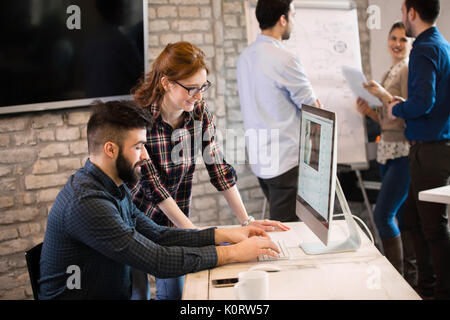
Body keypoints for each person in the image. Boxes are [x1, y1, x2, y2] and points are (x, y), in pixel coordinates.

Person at [38, 100, 280, 300]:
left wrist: (225, 235)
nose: (145, 155)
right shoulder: (87, 203)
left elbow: (159, 234)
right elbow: (157, 260)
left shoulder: (112, 185)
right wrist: (234, 253)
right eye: (138, 147)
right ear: (110, 149)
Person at [130, 41, 289, 300]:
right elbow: (154, 188)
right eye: (191, 88)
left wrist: (246, 221)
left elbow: (218, 167)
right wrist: (198, 237)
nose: (198, 96)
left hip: (176, 220)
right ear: (167, 83)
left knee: (174, 296)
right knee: (138, 294)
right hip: (136, 220)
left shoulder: (199, 112)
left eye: (202, 87)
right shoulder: (140, 119)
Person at [386, 0, 450, 300]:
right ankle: (423, 288)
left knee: (433, 229)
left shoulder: (424, 48)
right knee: (410, 218)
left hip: (431, 150)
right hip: (432, 148)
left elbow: (423, 102)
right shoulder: (439, 43)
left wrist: (399, 108)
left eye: (403, 12)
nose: (403, 19)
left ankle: (439, 291)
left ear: (412, 13)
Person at [236, 0, 321, 223]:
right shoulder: (285, 59)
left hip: (261, 162)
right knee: (291, 236)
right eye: (292, 15)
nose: (293, 21)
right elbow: (314, 108)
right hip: (286, 164)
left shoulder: (245, 57)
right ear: (282, 19)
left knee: (285, 229)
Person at [355, 22, 417, 287]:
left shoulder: (408, 70)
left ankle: (396, 280)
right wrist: (368, 111)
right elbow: (387, 121)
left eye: (403, 39)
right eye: (393, 38)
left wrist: (381, 93)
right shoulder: (391, 70)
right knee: (402, 216)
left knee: (382, 215)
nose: (397, 44)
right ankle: (409, 279)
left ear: (411, 43)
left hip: (403, 150)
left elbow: (407, 114)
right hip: (387, 149)